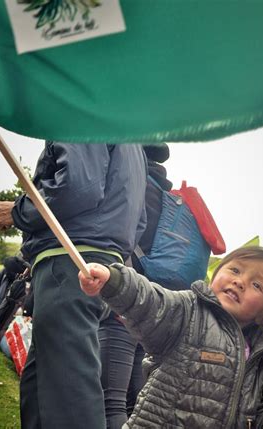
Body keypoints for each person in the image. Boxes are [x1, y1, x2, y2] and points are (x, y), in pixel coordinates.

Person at [0, 142, 147, 429]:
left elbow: (78, 187)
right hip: (100, 259)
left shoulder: (84, 110)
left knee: (69, 390)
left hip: (69, 259)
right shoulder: (132, 141)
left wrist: (18, 211)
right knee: (40, 384)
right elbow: (139, 220)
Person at [79, 246, 263, 429]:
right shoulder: (188, 311)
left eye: (257, 285)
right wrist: (115, 281)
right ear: (215, 274)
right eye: (235, 270)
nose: (240, 282)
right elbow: (152, 302)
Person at [98, 144, 172, 428]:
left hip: (126, 301)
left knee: (111, 401)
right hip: (155, 308)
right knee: (135, 401)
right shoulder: (167, 194)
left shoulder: (132, 185)